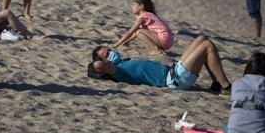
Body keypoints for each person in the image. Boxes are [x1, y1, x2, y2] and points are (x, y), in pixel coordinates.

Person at [90, 35, 231, 95]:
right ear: (106, 62)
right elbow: (97, 65)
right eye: (107, 54)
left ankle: (217, 84)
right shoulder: (117, 70)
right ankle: (225, 86)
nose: (112, 52)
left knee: (201, 39)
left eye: (109, 49)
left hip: (174, 68)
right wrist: (98, 63)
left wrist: (106, 55)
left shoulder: (123, 62)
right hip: (176, 79)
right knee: (207, 45)